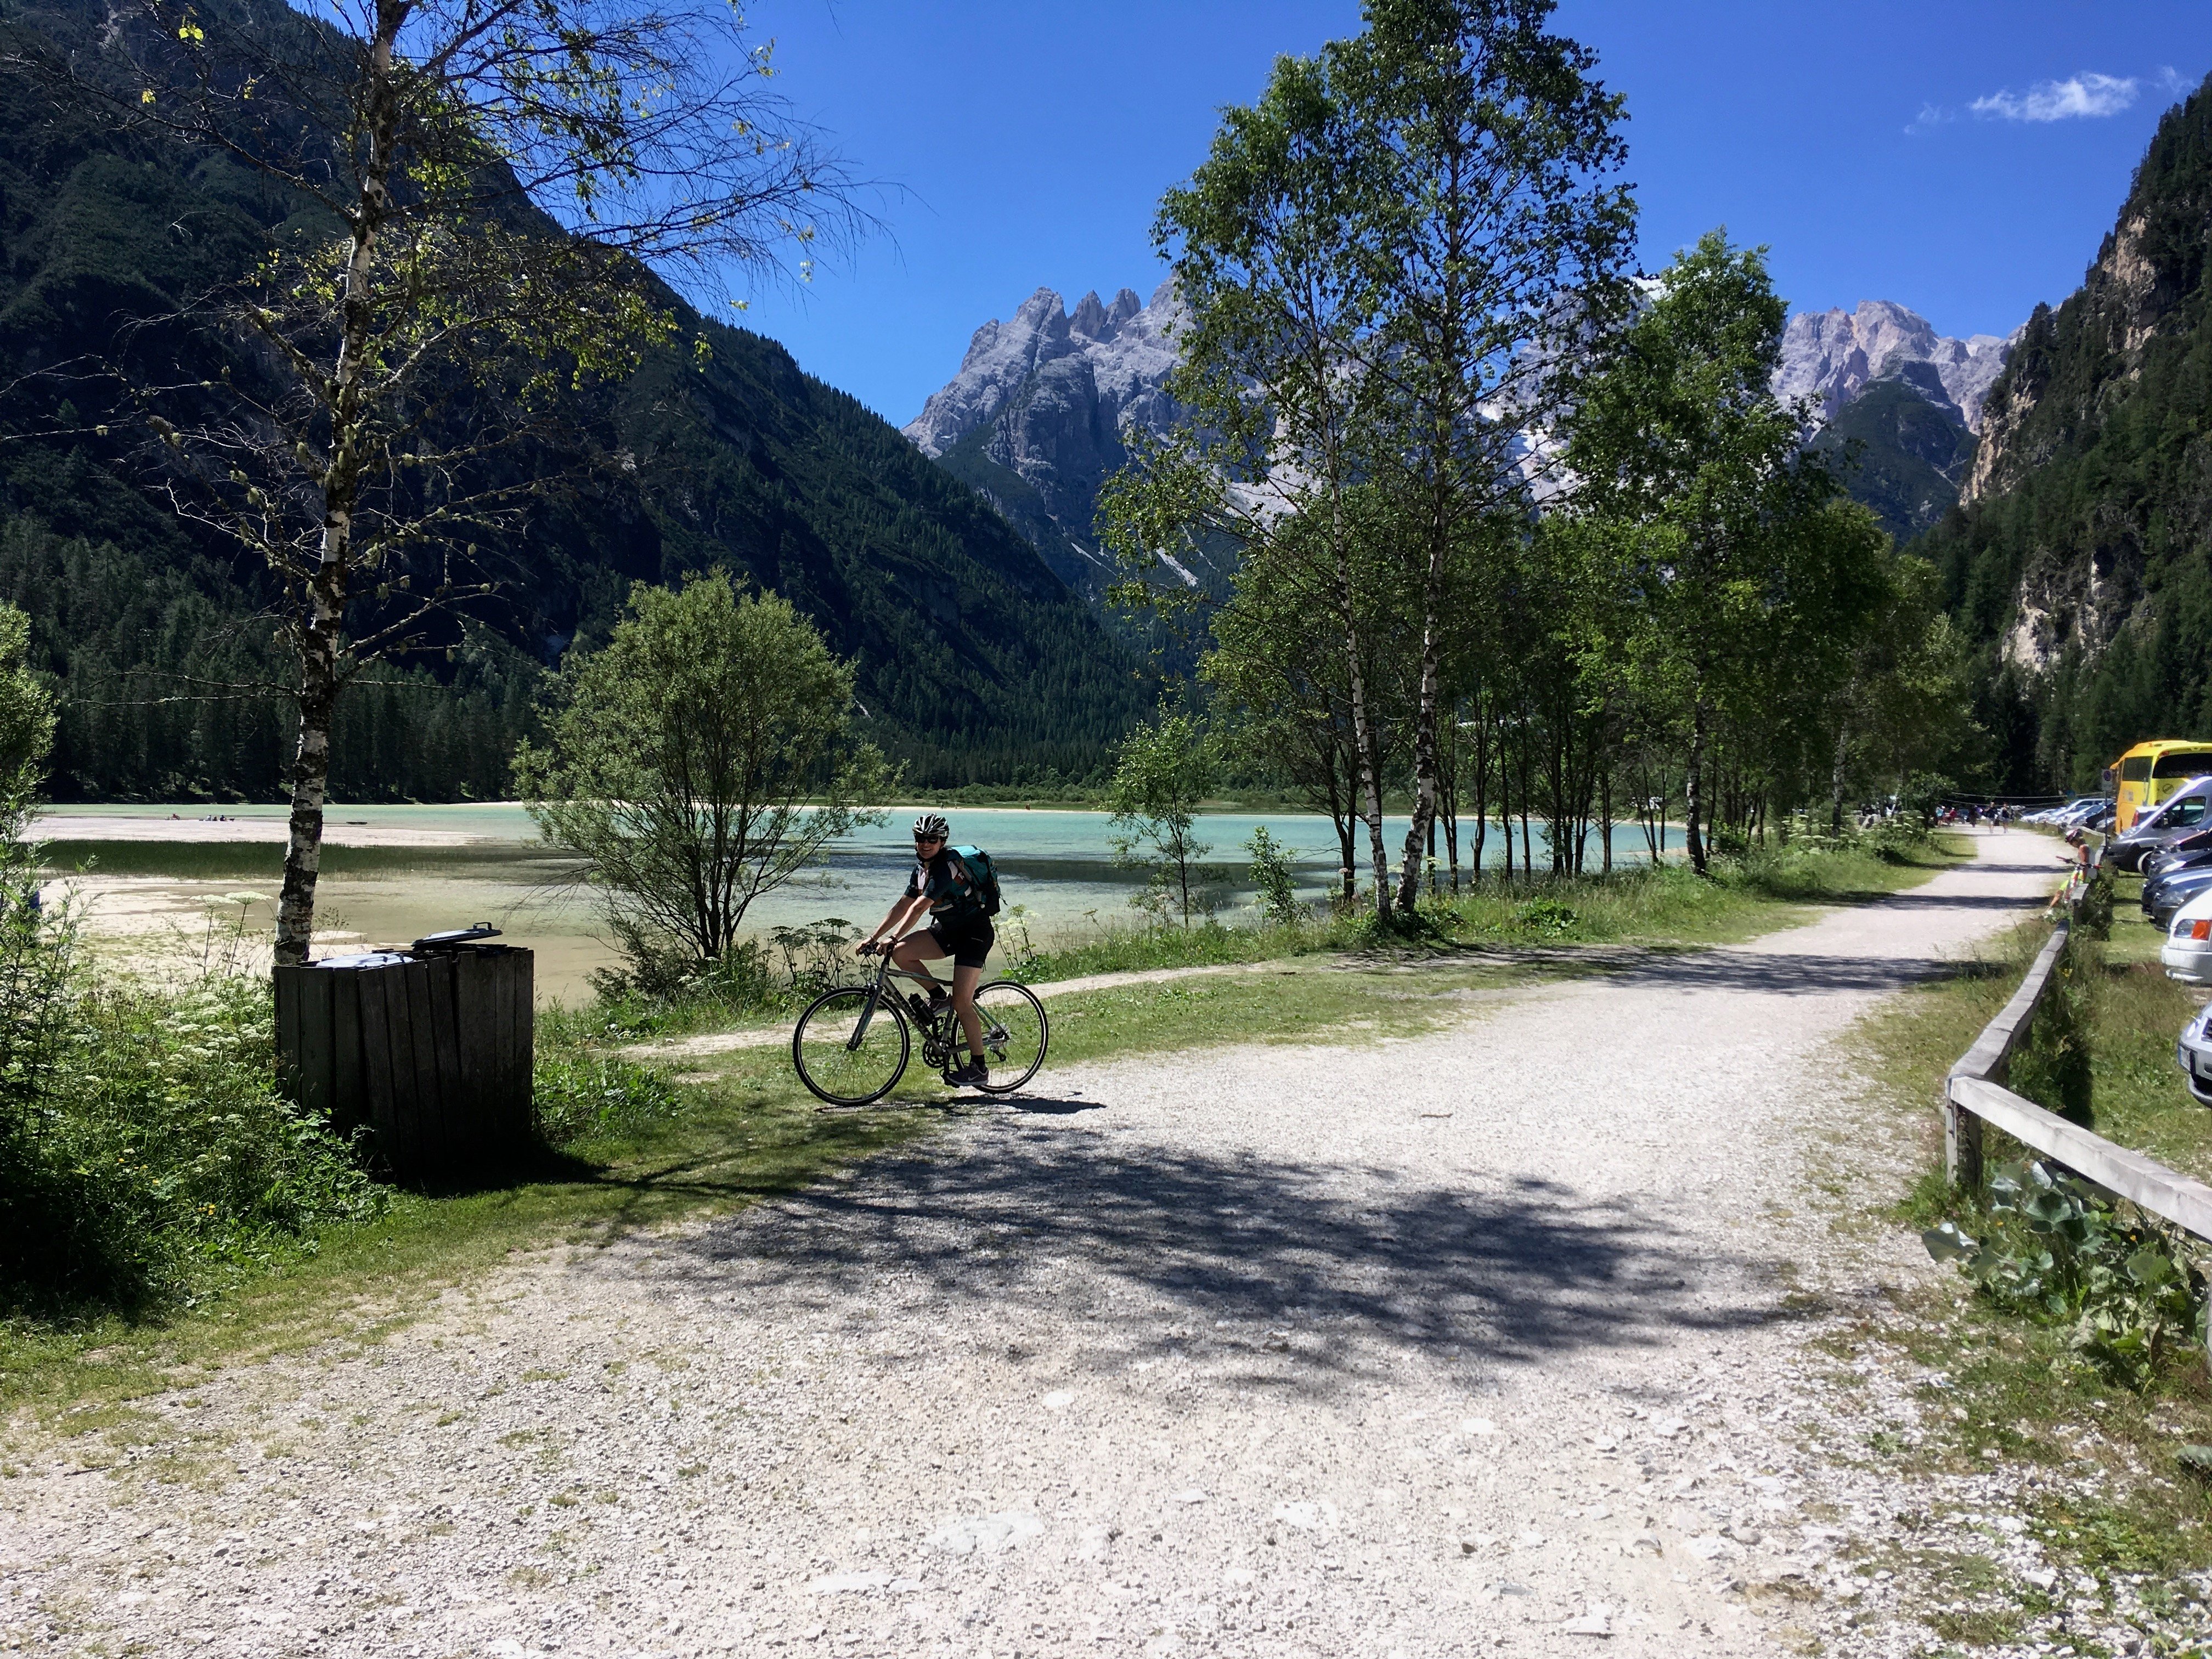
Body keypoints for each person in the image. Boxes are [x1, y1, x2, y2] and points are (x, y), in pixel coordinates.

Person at [859, 813, 995, 1087]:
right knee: (902, 954)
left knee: (963, 1003)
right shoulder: (921, 870)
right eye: (920, 839)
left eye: (932, 839)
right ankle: (939, 998)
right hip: (947, 931)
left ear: (942, 841)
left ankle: (979, 1067)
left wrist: (894, 936)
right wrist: (874, 937)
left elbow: (919, 908)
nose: (925, 844)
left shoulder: (945, 868)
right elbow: (902, 905)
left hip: (975, 935)